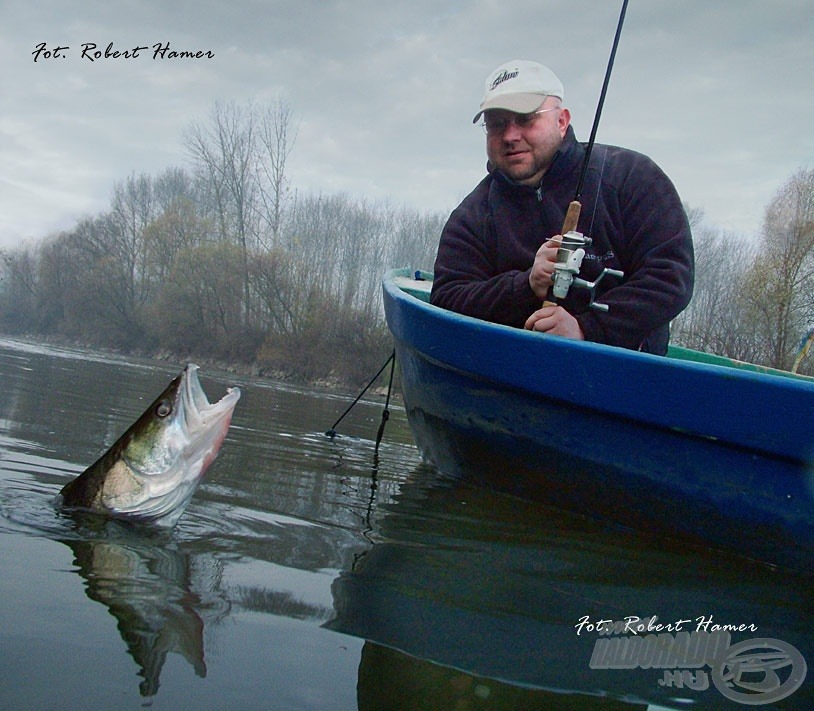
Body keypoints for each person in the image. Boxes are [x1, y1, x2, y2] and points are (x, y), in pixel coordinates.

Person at [430, 59, 694, 354]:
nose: (510, 136)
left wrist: (587, 330)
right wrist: (525, 285)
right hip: (511, 372)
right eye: (497, 124)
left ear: (562, 120)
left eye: (526, 119)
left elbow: (671, 277)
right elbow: (446, 300)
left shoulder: (632, 177)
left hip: (624, 381)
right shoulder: (471, 216)